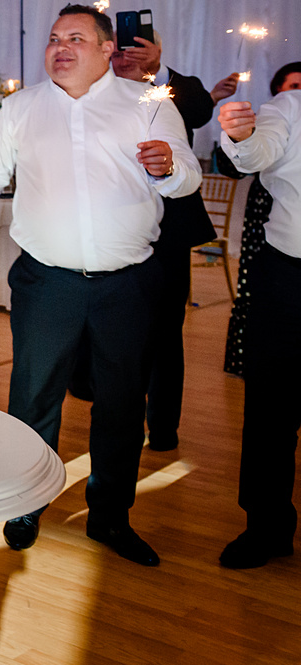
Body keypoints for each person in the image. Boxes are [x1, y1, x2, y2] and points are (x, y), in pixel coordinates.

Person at [0, 5, 201, 566]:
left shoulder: (147, 102)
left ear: (106, 49)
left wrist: (168, 167)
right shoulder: (22, 108)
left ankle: (110, 515)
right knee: (33, 397)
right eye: (53, 38)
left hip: (128, 284)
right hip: (47, 282)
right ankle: (26, 503)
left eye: (75, 38)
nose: (60, 47)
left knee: (121, 402)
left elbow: (187, 176)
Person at [104, 34, 217, 451]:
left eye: (134, 49)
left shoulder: (167, 91)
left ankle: (164, 426)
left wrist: (157, 71)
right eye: (117, 50)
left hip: (170, 230)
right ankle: (113, 414)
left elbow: (201, 111)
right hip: (112, 228)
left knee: (166, 332)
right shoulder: (92, 97)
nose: (125, 57)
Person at [215, 89, 301, 569]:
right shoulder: (291, 107)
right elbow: (256, 153)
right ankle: (266, 528)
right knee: (270, 408)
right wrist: (241, 136)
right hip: (288, 276)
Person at [217, 62, 301, 376]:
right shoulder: (282, 111)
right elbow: (245, 159)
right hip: (275, 236)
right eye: (295, 85)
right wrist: (242, 136)